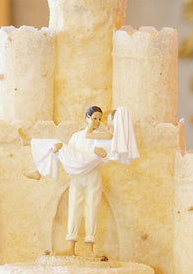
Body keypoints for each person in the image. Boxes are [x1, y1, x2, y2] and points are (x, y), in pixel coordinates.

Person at [19, 106, 139, 256]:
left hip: (92, 176)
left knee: (92, 209)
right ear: (87, 118)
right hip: (77, 176)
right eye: (94, 118)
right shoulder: (77, 136)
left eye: (99, 119)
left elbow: (109, 155)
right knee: (74, 207)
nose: (97, 121)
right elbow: (71, 155)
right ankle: (71, 247)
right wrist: (58, 152)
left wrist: (102, 156)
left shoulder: (103, 136)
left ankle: (90, 248)